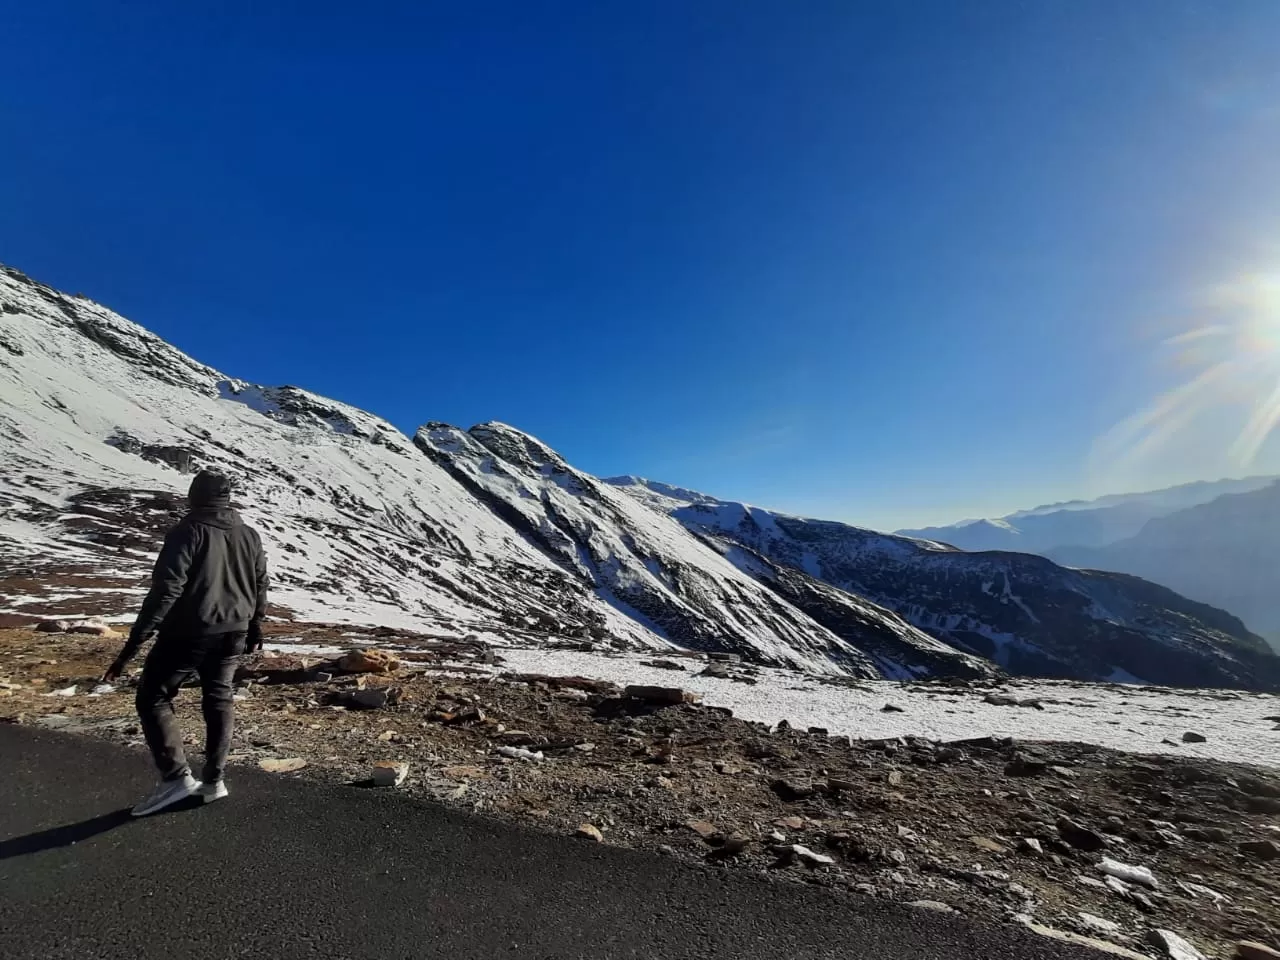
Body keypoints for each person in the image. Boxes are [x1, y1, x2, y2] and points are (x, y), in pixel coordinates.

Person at [103, 470, 269, 817]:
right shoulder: (249, 534)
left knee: (153, 696)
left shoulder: (188, 532)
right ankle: (214, 780)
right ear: (226, 498)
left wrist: (133, 645)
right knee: (219, 696)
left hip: (190, 631)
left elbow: (167, 589)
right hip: (234, 631)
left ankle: (176, 778)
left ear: (194, 496)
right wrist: (255, 625)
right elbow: (259, 583)